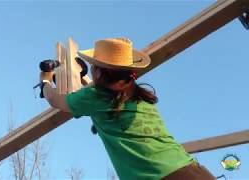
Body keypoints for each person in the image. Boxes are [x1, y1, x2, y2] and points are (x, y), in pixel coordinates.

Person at [39, 38, 215, 180]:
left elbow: (55, 99)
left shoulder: (96, 97)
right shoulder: (142, 97)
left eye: (93, 67)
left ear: (99, 73)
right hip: (194, 171)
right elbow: (105, 98)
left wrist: (45, 80)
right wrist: (84, 79)